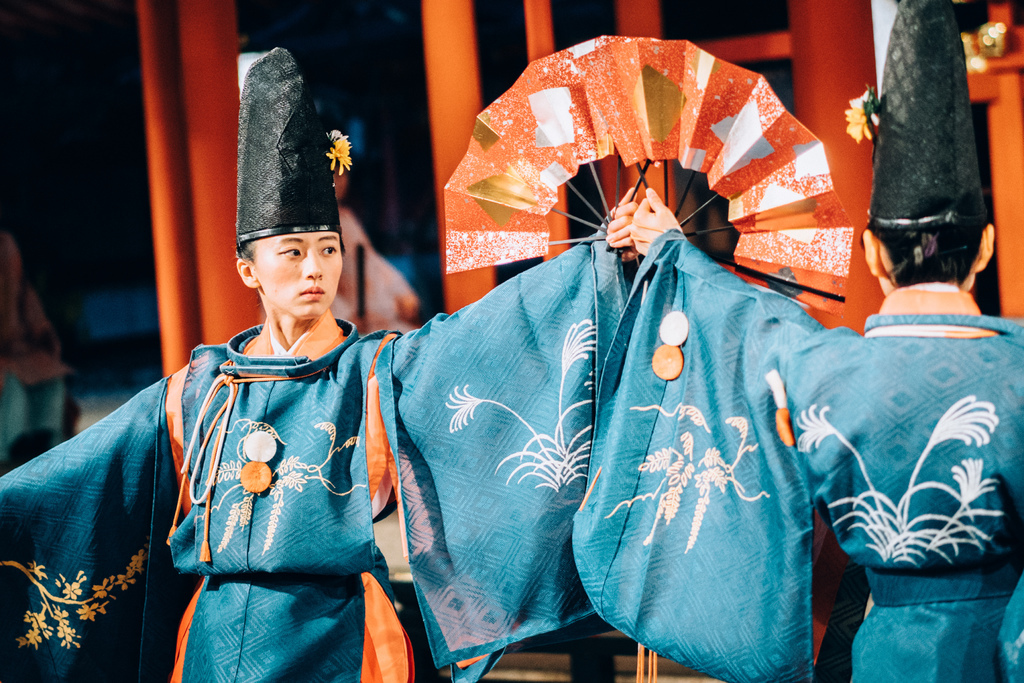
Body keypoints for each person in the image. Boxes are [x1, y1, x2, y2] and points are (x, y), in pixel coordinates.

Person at [605, 0, 1023, 680]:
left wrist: (674, 252)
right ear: (985, 249)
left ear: (873, 254)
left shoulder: (820, 368)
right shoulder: (1018, 368)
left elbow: (751, 321)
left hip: (880, 656)